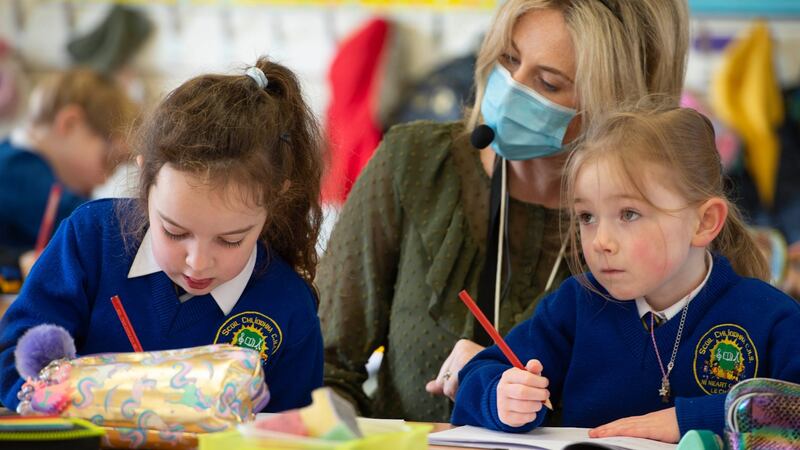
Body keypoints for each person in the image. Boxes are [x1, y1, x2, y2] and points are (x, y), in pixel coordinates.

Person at [318, 0, 689, 422]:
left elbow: (678, 402)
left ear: (617, 102)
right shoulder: (414, 163)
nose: (512, 87)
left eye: (548, 83)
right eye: (508, 59)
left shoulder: (662, 215)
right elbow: (325, 366)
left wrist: (494, 382)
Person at [451, 104, 800, 442]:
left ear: (704, 222)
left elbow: (795, 410)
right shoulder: (576, 305)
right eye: (587, 217)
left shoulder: (769, 316)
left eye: (629, 214)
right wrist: (501, 397)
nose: (601, 241)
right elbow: (479, 377)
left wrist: (689, 420)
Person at [0, 58, 325, 412]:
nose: (197, 263)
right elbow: (11, 367)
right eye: (174, 231)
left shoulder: (288, 308)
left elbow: (294, 432)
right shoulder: (92, 239)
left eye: (230, 239)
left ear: (275, 199)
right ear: (145, 181)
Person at [0, 69, 136, 265]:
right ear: (70, 124)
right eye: (107, 160)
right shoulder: (16, 169)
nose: (103, 179)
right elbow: (96, 228)